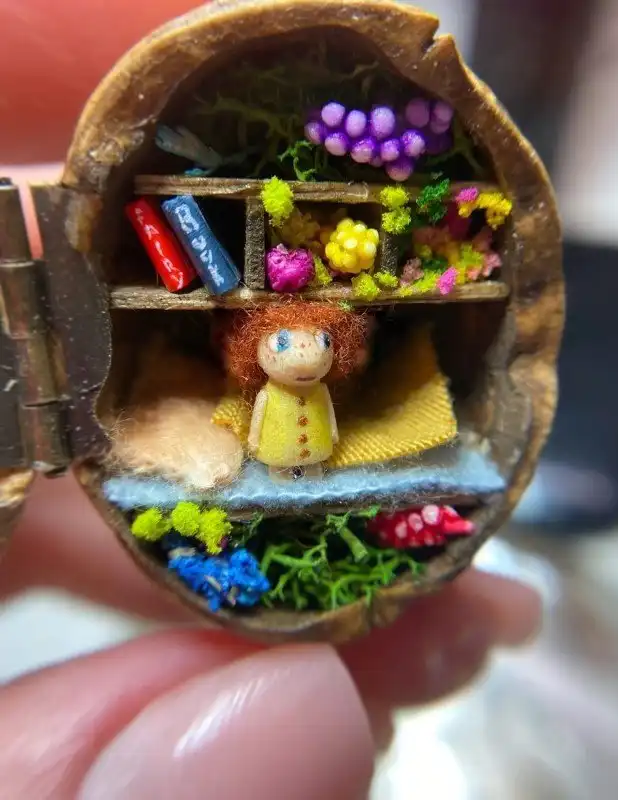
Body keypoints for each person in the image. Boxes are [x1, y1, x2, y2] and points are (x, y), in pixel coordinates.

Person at [0, 2, 541, 797]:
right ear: (253, 349)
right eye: (283, 345)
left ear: (341, 348)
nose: (301, 355)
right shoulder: (243, 378)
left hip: (311, 450)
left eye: (316, 345)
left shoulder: (345, 380)